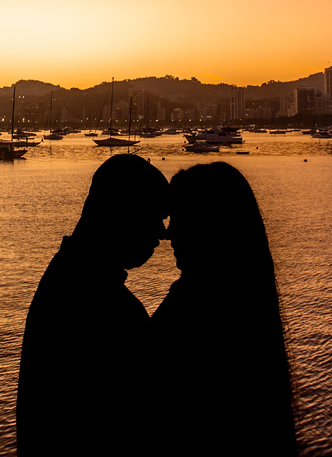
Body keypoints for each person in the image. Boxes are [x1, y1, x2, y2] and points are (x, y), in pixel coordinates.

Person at [16, 153, 169, 456]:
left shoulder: (66, 279)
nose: (162, 233)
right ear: (122, 213)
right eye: (155, 216)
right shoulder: (107, 309)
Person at [150, 162, 298, 455]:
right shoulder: (250, 304)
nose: (168, 233)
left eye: (179, 218)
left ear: (209, 224)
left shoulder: (192, 311)